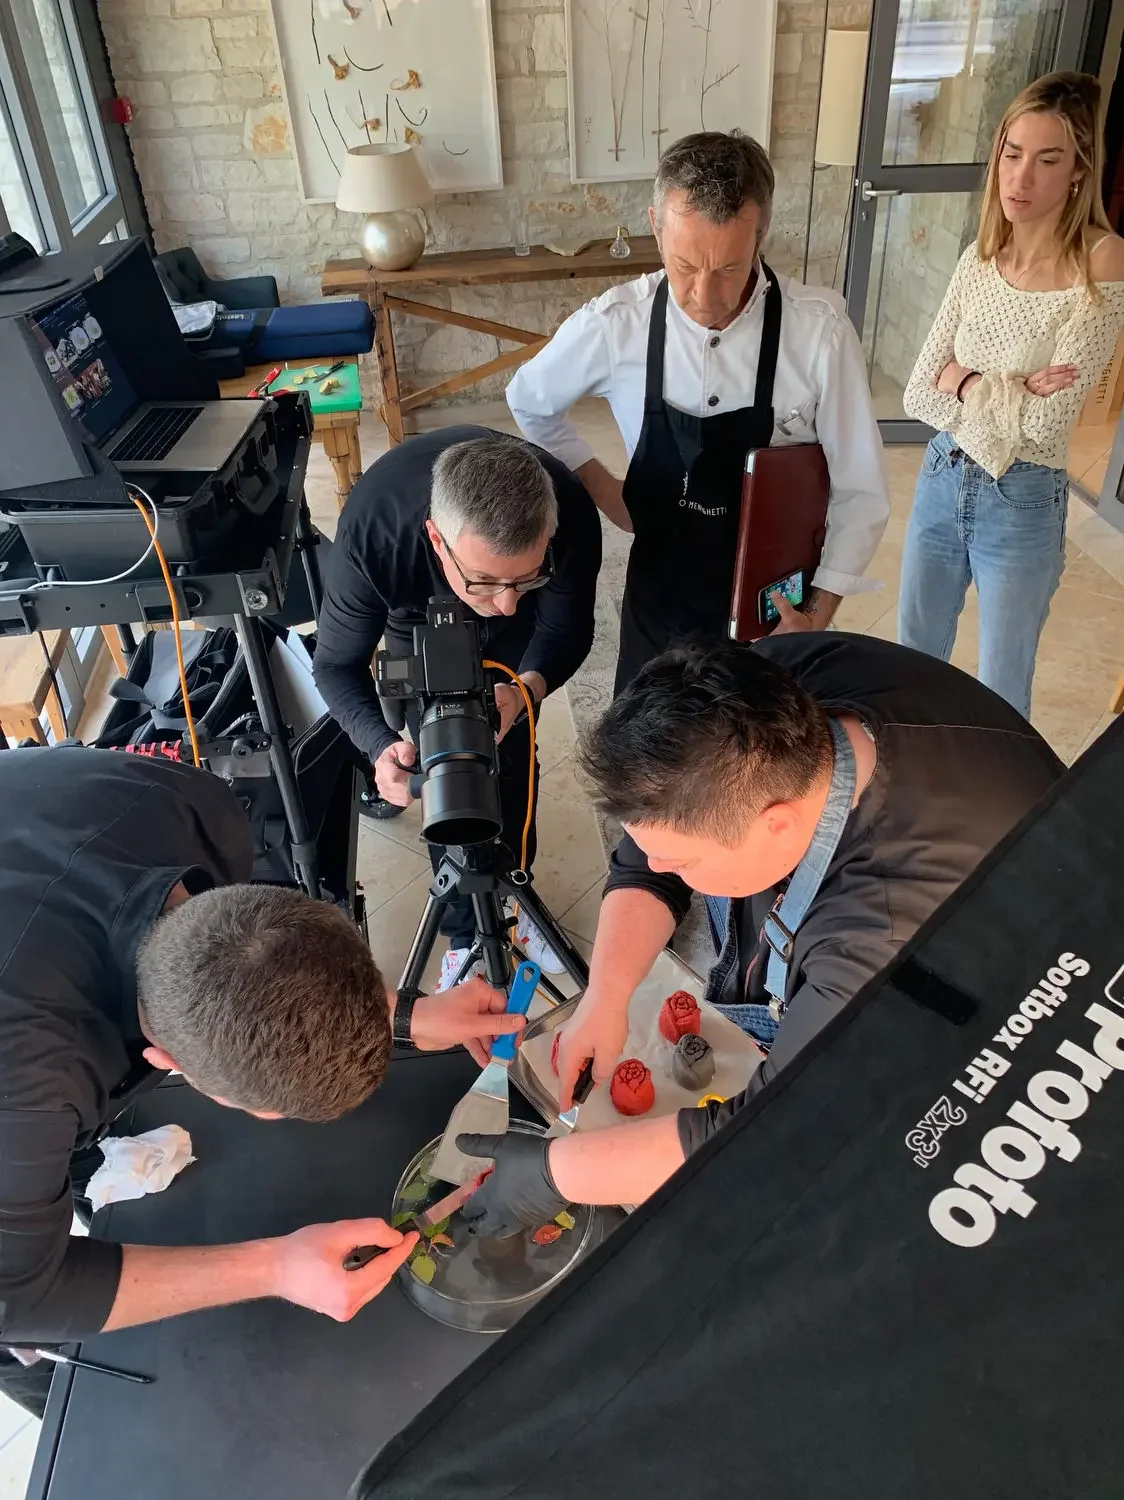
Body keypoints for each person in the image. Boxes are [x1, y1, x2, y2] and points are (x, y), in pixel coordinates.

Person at [453, 634, 1063, 1235]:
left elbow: (775, 1127)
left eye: (683, 864)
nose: (658, 867)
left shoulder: (880, 931)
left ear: (775, 826)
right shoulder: (761, 688)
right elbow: (647, 853)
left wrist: (555, 1174)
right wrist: (606, 999)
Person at [0, 746, 529, 1416]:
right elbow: (19, 1299)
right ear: (169, 1065)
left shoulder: (204, 816)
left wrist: (405, 1014)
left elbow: (255, 962)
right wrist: (273, 1266)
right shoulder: (28, 1094)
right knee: (73, 1386)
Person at [506, 130, 890, 692]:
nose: (706, 297)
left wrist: (815, 616)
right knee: (645, 767)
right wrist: (603, 487)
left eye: (730, 269)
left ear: (761, 236)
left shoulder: (820, 332)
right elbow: (529, 399)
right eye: (685, 267)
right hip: (657, 603)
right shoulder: (618, 324)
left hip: (770, 614)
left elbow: (861, 491)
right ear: (656, 225)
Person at [313, 427, 601, 986]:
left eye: (527, 577)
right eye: (488, 581)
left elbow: (565, 631)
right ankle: (466, 937)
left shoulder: (569, 516)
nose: (507, 602)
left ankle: (513, 902)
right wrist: (379, 747)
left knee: (506, 748)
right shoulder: (375, 537)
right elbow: (334, 666)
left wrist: (525, 691)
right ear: (437, 538)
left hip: (505, 632)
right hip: (414, 614)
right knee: (436, 757)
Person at [899, 71, 1124, 719]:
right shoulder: (979, 257)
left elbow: (1047, 425)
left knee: (1002, 686)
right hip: (942, 478)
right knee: (914, 657)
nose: (1021, 178)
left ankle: (1001, 814)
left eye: (1048, 160)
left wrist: (965, 380)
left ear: (1079, 172)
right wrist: (1006, 389)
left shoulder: (1100, 264)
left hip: (1022, 500)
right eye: (1012, 153)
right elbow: (919, 389)